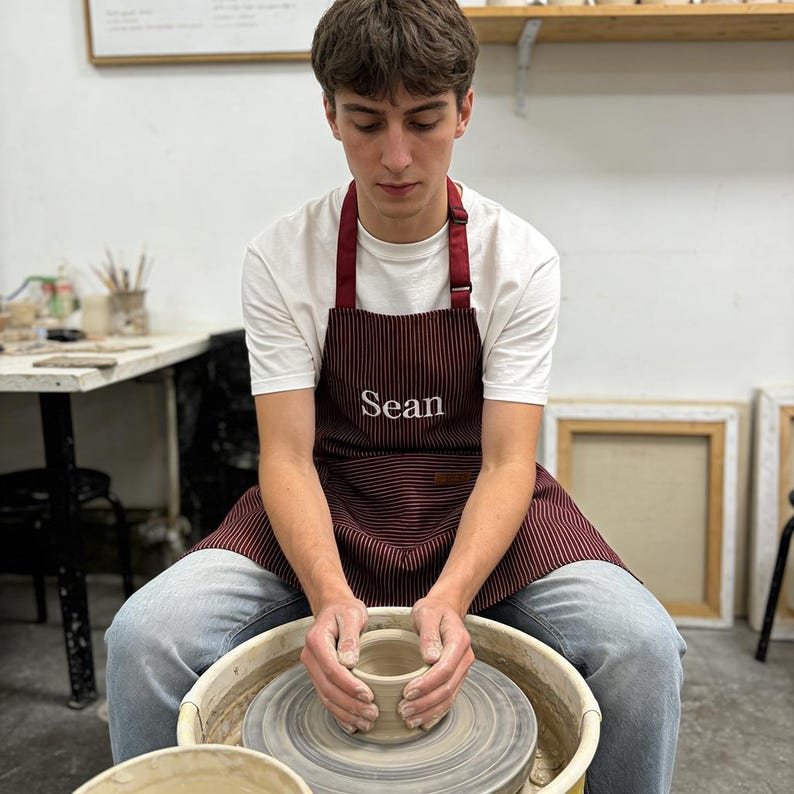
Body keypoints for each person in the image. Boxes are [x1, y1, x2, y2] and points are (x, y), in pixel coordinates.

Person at [105, 1, 686, 791]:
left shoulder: (517, 258)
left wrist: (451, 596)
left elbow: (509, 460)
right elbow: (285, 453)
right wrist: (328, 594)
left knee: (641, 646)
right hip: (329, 497)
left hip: (473, 499)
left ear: (465, 110)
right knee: (145, 638)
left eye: (423, 119)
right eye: (367, 123)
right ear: (330, 115)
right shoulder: (283, 257)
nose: (398, 157)